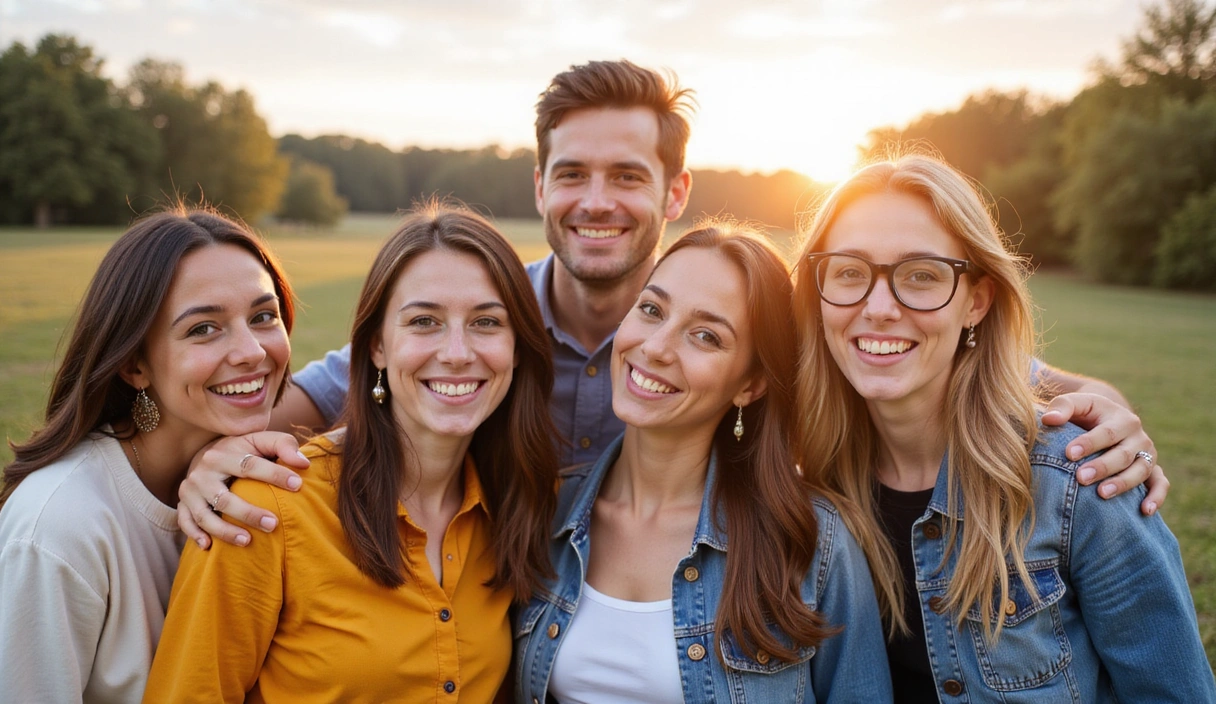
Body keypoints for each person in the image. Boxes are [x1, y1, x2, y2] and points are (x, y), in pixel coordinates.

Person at [177, 59, 1166, 552]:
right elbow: (326, 392)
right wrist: (227, 450)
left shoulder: (741, 315)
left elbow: (922, 348)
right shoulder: (486, 320)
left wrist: (1094, 402)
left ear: (675, 192)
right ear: (539, 185)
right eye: (573, 173)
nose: (596, 200)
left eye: (627, 175)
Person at [793, 154, 1216, 702]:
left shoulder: (1077, 482)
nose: (878, 308)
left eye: (921, 275)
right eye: (849, 271)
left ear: (976, 301)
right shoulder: (808, 479)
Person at [144, 203, 559, 702]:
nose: (456, 353)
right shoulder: (262, 511)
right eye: (424, 321)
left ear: (517, 347)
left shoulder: (520, 505)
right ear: (377, 346)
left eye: (487, 322)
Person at [516, 222, 891, 702]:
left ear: (750, 385)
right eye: (651, 310)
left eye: (706, 336)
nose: (655, 347)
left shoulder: (812, 541)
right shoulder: (547, 512)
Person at [0, 209, 293, 703]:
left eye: (263, 317)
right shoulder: (58, 527)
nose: (252, 352)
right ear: (135, 365)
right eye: (204, 328)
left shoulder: (266, 481)